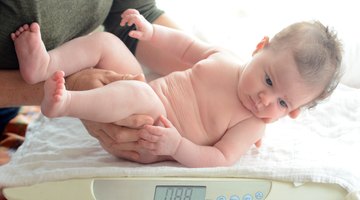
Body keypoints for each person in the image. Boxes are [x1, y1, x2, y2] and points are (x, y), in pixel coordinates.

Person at [12, 9, 343, 167]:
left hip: (151, 135)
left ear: (294, 111)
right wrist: (152, 34)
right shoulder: (224, 59)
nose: (264, 99)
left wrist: (177, 145)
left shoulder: (251, 122)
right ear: (259, 47)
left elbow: (221, 157)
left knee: (140, 94)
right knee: (108, 43)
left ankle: (65, 103)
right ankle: (45, 64)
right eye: (269, 80)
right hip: (144, 94)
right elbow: (186, 48)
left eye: (282, 103)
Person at [0, 0, 184, 162]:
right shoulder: (213, 58)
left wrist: (178, 146)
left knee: (131, 94)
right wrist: (73, 84)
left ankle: (67, 98)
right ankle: (45, 69)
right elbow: (190, 50)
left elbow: (135, 13)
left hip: (164, 129)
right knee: (106, 43)